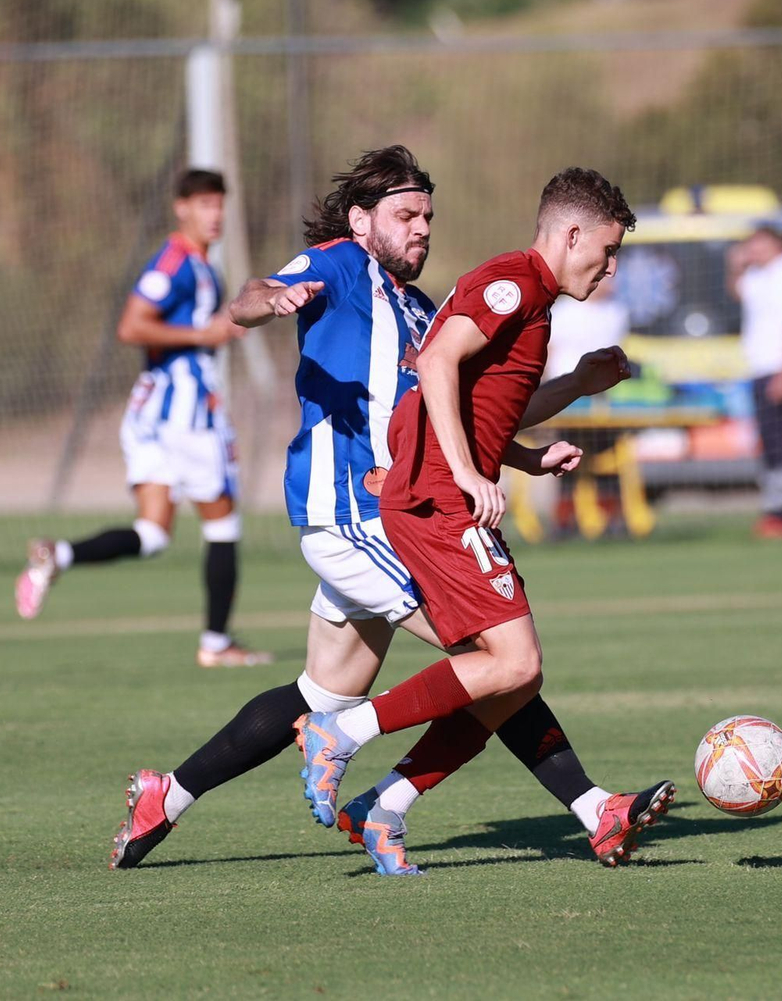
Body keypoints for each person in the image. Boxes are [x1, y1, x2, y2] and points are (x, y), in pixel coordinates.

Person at [109, 147, 670, 876]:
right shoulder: (340, 264)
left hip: (390, 514)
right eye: (406, 215)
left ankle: (168, 793)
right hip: (353, 509)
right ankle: (575, 806)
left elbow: (459, 416)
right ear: (361, 218)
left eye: (428, 216)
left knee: (320, 690)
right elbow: (251, 295)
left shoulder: (420, 306)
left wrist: (534, 445)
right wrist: (263, 305)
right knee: (501, 663)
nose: (422, 229)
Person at [295, 168, 674, 873]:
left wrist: (555, 416)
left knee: (512, 680)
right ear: (571, 234)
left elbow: (486, 410)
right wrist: (471, 475)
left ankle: (388, 806)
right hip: (439, 499)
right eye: (609, 249)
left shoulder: (536, 303)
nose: (613, 266)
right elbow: (438, 362)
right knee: (514, 662)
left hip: (446, 494)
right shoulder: (515, 283)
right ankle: (340, 730)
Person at [14, 169, 269, 667]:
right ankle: (217, 644)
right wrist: (206, 335)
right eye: (204, 204)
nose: (214, 214)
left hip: (150, 414)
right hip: (186, 418)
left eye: (219, 204)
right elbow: (132, 325)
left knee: (152, 535)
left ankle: (57, 556)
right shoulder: (174, 263)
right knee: (223, 527)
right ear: (181, 208)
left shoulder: (201, 266)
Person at [728, 226, 782, 538]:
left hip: (781, 368)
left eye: (758, 243)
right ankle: (777, 510)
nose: (753, 249)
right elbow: (738, 291)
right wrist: (736, 265)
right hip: (761, 369)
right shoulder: (760, 276)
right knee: (771, 443)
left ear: (777, 243)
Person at [543, 273, 631, 536]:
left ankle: (613, 519)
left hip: (603, 400)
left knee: (607, 460)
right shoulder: (564, 312)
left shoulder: (617, 313)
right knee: (566, 457)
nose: (612, 283)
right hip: (566, 397)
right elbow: (549, 351)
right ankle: (565, 521)